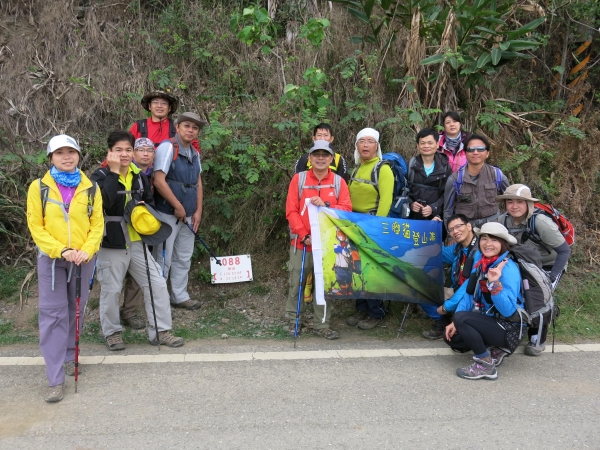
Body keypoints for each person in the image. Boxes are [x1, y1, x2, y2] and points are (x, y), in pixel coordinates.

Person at [26, 134, 104, 403]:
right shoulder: (39, 188)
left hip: (83, 258)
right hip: (52, 259)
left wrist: (87, 249)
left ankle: (72, 356)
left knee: (76, 309)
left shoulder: (91, 187)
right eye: (59, 153)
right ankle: (55, 378)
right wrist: (62, 250)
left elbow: (97, 225)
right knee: (53, 314)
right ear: (50, 158)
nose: (66, 157)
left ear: (79, 156)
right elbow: (36, 226)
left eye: (71, 152)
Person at [91, 130, 184, 351]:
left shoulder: (140, 176)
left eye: (128, 149)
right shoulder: (100, 176)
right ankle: (112, 333)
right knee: (111, 289)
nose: (124, 154)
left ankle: (160, 331)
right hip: (110, 242)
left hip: (137, 241)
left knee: (157, 283)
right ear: (109, 152)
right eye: (118, 150)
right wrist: (114, 173)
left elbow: (150, 202)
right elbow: (105, 203)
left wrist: (145, 210)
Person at [285, 140, 352, 339]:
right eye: (316, 154)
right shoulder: (299, 179)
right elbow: (291, 210)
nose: (320, 158)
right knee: (296, 281)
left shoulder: (339, 182)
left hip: (328, 244)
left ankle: (321, 325)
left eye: (325, 154)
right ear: (310, 158)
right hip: (301, 243)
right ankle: (293, 320)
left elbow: (347, 209)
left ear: (331, 158)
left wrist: (327, 204)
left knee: (324, 285)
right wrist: (304, 234)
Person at [443, 222, 526, 380]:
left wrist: (494, 284)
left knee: (463, 320)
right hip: (489, 319)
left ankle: (486, 365)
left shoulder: (508, 268)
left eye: (494, 240)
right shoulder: (480, 262)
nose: (488, 244)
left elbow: (508, 310)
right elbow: (469, 294)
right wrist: (456, 322)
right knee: (454, 339)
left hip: (509, 328)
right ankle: (495, 349)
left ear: (503, 244)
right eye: (484, 238)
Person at [496, 184, 571, 356]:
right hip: (524, 264)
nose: (514, 206)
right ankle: (517, 330)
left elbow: (564, 251)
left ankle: (537, 340)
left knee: (540, 300)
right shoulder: (502, 221)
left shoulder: (541, 222)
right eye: (510, 202)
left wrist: (551, 278)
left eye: (520, 202)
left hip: (549, 265)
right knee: (520, 296)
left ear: (528, 204)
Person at [153, 112, 207, 310]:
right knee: (163, 259)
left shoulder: (195, 152)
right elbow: (158, 180)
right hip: (167, 213)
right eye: (187, 126)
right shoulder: (168, 147)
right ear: (177, 127)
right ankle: (159, 301)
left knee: (183, 257)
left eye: (195, 128)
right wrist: (177, 205)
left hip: (189, 215)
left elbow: (198, 183)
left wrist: (198, 211)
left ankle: (179, 296)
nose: (190, 130)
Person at [346, 128, 393, 329]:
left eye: (370, 141)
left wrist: (377, 228)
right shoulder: (357, 169)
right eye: (362, 141)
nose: (365, 145)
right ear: (357, 145)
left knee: (371, 270)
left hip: (372, 223)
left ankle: (376, 312)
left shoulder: (383, 169)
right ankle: (362, 309)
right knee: (357, 268)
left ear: (377, 146)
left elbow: (386, 199)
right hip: (354, 224)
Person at [119, 137, 156, 331]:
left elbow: (150, 202)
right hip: (116, 233)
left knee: (136, 277)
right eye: (141, 150)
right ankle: (109, 320)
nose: (145, 153)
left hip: (140, 232)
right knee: (115, 277)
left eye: (149, 150)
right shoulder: (118, 172)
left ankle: (129, 312)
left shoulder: (148, 176)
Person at [443, 134, 509, 228]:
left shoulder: (497, 174)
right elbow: (448, 210)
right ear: (465, 153)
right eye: (471, 149)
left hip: (493, 227)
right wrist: (451, 234)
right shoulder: (455, 179)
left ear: (487, 153)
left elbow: (511, 201)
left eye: (480, 149)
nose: (475, 152)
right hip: (466, 229)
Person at [129, 91, 200, 152]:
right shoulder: (138, 127)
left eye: (164, 103)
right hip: (143, 167)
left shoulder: (178, 127)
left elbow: (194, 151)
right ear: (150, 106)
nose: (159, 106)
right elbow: (127, 149)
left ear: (169, 108)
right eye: (155, 102)